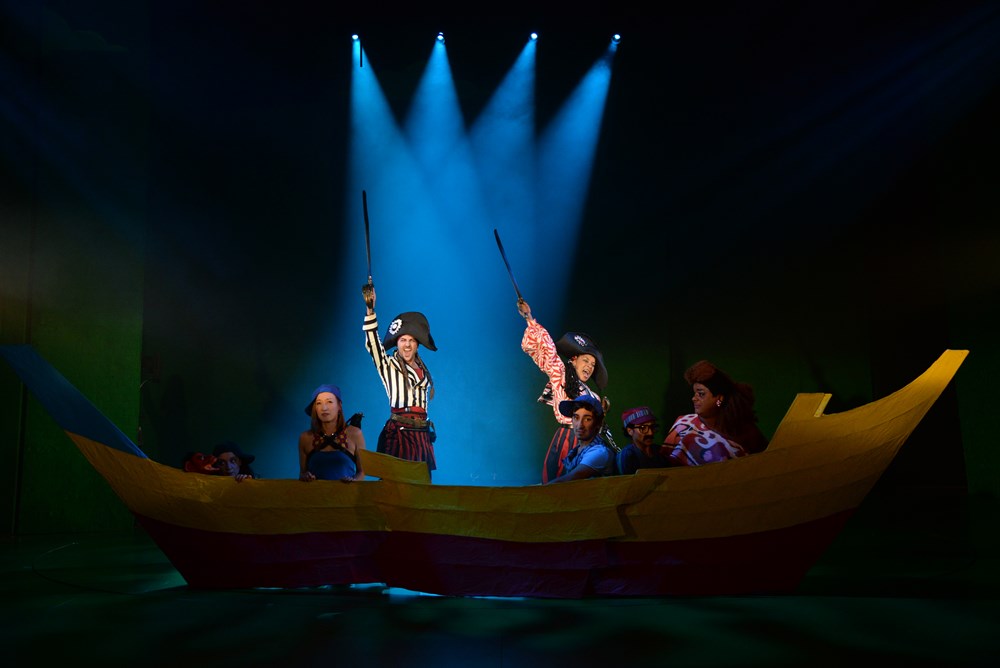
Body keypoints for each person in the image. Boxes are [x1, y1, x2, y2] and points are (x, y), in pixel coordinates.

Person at [517, 298, 613, 483]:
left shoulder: (592, 394)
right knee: (560, 484)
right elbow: (548, 351)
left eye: (593, 365)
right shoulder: (560, 374)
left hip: (589, 442)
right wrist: (529, 317)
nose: (589, 366)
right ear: (574, 360)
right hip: (567, 438)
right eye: (586, 361)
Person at [362, 284, 438, 477]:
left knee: (422, 484)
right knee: (395, 485)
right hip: (399, 434)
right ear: (397, 342)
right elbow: (373, 344)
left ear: (417, 345)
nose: (407, 345)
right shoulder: (388, 365)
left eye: (411, 340)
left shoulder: (424, 371)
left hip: (421, 436)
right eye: (403, 340)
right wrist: (370, 310)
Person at [662, 360, 769, 466]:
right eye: (694, 393)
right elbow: (664, 463)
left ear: (719, 399)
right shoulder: (683, 425)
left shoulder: (745, 431)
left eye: (701, 394)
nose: (694, 398)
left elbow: (764, 463)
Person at [298, 384, 366, 482]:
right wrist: (305, 477)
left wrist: (353, 482)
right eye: (319, 403)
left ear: (339, 406)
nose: (324, 408)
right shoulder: (305, 438)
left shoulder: (355, 434)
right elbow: (302, 473)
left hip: (346, 491)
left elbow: (362, 472)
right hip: (315, 492)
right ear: (315, 408)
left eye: (329, 402)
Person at [546, 395, 616, 483]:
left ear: (598, 424)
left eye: (587, 419)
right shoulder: (577, 451)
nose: (580, 425)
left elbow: (570, 479)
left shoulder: (599, 452)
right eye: (576, 417)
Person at [616, 406, 670, 475]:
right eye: (643, 428)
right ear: (630, 431)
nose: (650, 433)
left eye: (652, 427)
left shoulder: (660, 452)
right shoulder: (627, 456)